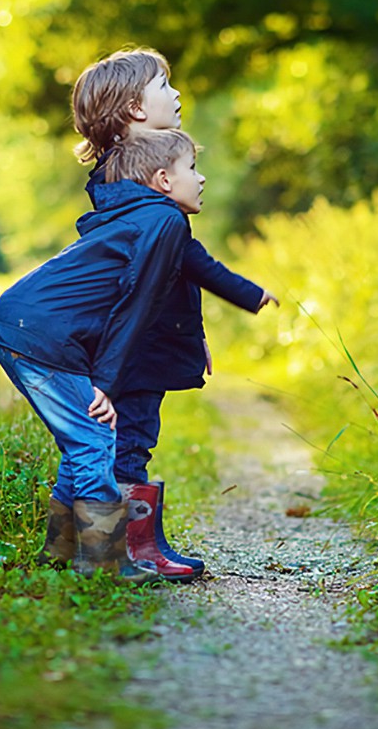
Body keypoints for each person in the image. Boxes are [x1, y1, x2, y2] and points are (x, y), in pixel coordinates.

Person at [57, 47, 279, 580]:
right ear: (135, 108)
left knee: (123, 440)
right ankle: (121, 553)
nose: (176, 95)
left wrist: (193, 333)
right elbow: (174, 268)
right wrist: (247, 295)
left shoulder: (134, 183)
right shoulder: (136, 191)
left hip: (140, 340)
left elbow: (173, 274)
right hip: (126, 344)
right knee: (127, 442)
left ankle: (75, 550)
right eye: (164, 87)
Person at [0, 128, 207, 584]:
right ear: (162, 178)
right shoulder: (157, 221)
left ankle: (60, 552)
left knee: (83, 440)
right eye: (193, 168)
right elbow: (132, 308)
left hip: (27, 330)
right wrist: (104, 379)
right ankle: (104, 561)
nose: (201, 179)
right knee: (93, 438)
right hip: (38, 337)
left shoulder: (138, 219)